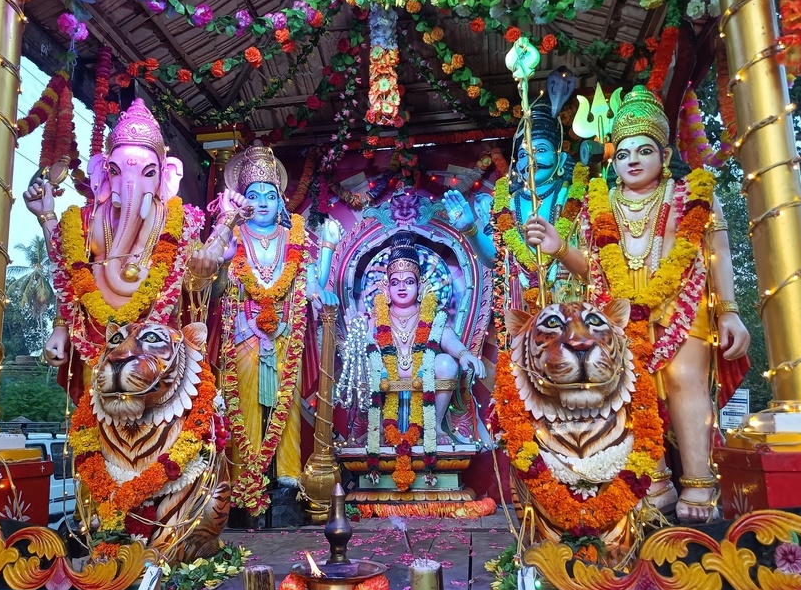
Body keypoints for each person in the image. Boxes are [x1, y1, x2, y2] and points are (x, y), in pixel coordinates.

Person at [524, 86, 751, 522]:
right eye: (623, 152)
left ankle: (700, 484)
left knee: (685, 379)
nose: (632, 160)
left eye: (644, 150)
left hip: (681, 304)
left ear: (664, 156)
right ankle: (656, 479)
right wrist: (558, 249)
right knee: (635, 392)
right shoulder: (602, 204)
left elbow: (715, 253)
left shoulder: (692, 195)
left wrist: (730, 312)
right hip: (625, 312)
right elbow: (596, 270)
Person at [24, 98, 240, 393]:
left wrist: (207, 269)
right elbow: (67, 272)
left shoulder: (179, 223)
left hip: (156, 352)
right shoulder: (86, 220)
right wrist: (46, 215)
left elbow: (192, 286)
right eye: (116, 171)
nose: (130, 183)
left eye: (147, 173)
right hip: (97, 341)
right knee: (94, 428)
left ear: (165, 176)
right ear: (103, 173)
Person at [217, 143, 338, 515]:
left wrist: (329, 251)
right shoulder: (232, 237)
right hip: (244, 331)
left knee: (286, 403)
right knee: (246, 398)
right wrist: (223, 244)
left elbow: (310, 284)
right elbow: (215, 284)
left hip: (287, 329)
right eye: (254, 196)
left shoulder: (293, 238)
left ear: (281, 201)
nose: (263, 203)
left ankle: (287, 472)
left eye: (271, 196)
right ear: (242, 202)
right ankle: (244, 474)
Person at [443, 95, 587, 337]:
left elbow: (590, 267)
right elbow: (494, 260)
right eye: (522, 154)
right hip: (520, 308)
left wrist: (560, 249)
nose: (530, 159)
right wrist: (470, 230)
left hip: (570, 305)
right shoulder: (507, 204)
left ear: (560, 158)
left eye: (540, 150)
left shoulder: (577, 198)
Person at [365, 233, 486, 489]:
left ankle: (437, 428)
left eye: (409, 281)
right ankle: (380, 430)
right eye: (395, 282)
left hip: (424, 376)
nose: (402, 287)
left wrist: (465, 354)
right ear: (386, 287)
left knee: (446, 363)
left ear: (420, 287)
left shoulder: (431, 314)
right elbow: (367, 344)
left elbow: (449, 339)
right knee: (370, 364)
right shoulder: (378, 316)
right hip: (389, 376)